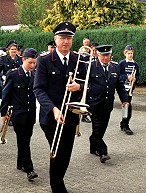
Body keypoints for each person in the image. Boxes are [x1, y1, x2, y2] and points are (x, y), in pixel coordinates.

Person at [33, 21, 87, 193]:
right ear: (55, 39)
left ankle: (58, 180)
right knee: (57, 150)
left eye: (69, 38)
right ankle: (57, 186)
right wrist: (54, 109)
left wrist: (79, 87)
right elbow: (38, 89)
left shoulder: (79, 59)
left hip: (71, 115)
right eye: (62, 38)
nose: (65, 42)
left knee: (66, 153)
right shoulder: (45, 60)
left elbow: (89, 84)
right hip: (51, 116)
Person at [0, 48, 39, 181]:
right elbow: (6, 94)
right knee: (23, 140)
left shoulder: (35, 75)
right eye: (30, 63)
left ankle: (20, 162)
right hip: (18, 114)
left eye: (34, 63)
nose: (33, 66)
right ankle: (29, 168)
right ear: (23, 60)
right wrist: (4, 114)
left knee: (25, 140)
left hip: (31, 114)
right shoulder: (13, 74)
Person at [86, 45, 129, 163]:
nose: (105, 58)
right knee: (97, 126)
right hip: (94, 103)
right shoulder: (91, 66)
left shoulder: (115, 67)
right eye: (103, 56)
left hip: (107, 104)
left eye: (107, 55)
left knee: (102, 128)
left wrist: (124, 99)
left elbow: (119, 84)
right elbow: (85, 85)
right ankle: (102, 151)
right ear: (98, 55)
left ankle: (93, 144)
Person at [118, 45, 140, 135]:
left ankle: (124, 123)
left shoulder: (135, 64)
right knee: (127, 106)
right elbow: (119, 75)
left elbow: (138, 75)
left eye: (131, 53)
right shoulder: (122, 63)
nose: (130, 55)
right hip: (123, 88)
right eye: (128, 53)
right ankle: (125, 125)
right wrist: (127, 77)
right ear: (125, 53)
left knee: (127, 106)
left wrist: (135, 79)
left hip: (130, 88)